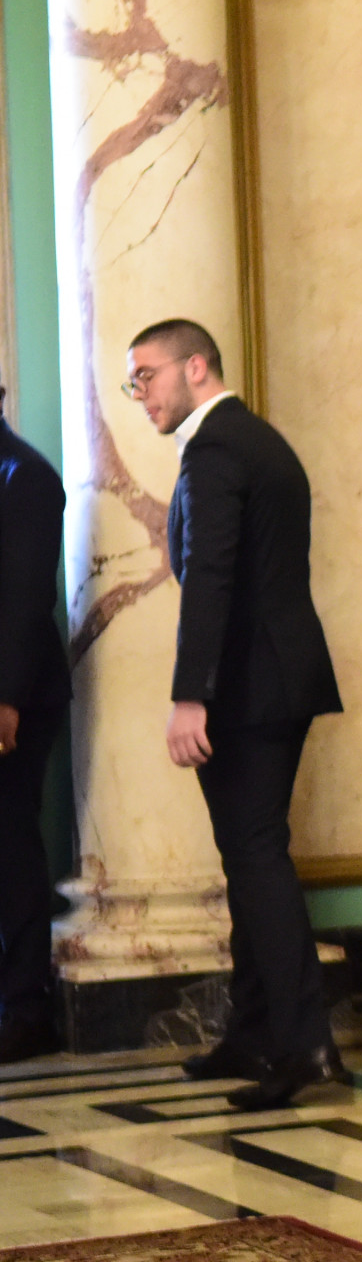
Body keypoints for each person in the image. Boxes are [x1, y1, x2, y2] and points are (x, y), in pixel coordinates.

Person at [129, 319, 347, 1110]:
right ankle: (255, 1032)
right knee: (251, 857)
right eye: (132, 382)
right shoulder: (259, 440)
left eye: (147, 376)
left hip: (248, 689)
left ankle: (305, 1044)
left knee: (256, 860)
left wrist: (191, 695)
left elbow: (213, 574)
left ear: (196, 367)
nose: (140, 394)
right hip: (278, 681)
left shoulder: (216, 449)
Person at [0, 402, 67, 1064]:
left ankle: (26, 1010)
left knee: (9, 841)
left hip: (13, 698)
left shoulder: (27, 475)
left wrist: (6, 698)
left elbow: (25, 597)